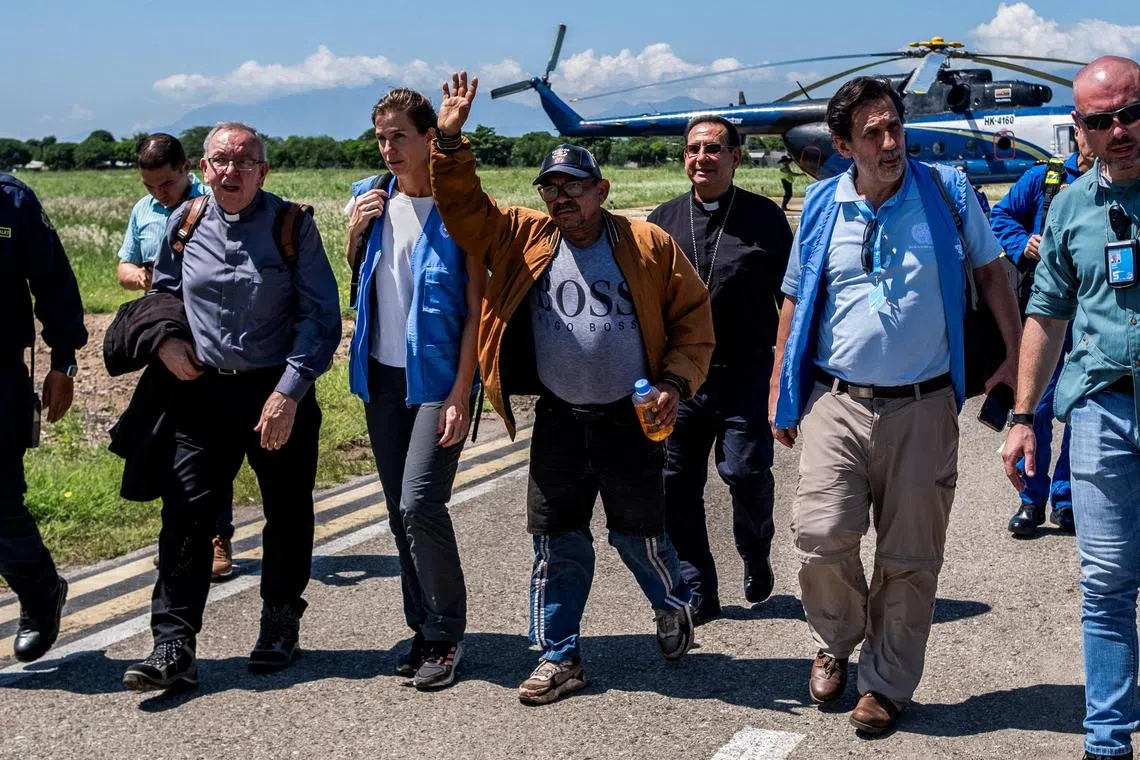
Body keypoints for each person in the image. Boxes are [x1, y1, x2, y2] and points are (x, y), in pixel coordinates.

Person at [430, 72, 714, 705]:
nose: (561, 199)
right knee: (556, 541)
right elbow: (466, 211)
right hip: (560, 416)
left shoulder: (646, 243)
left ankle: (671, 605)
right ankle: (559, 656)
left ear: (601, 190)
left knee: (636, 537)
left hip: (629, 416)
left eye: (573, 188)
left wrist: (674, 382)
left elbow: (694, 321)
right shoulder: (526, 236)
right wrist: (449, 145)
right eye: (550, 188)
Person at [770, 76, 1021, 735]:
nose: (890, 142)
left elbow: (993, 272)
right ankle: (837, 635)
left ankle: (885, 685)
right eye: (873, 133)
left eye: (894, 127)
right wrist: (780, 391)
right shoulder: (824, 203)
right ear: (843, 145)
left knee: (910, 554)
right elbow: (796, 302)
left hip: (925, 402)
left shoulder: (946, 189)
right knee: (820, 535)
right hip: (839, 400)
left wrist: (1018, 361)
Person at [122, 122, 341, 691]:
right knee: (187, 516)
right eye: (220, 161)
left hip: (276, 391)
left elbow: (321, 320)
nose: (231, 171)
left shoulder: (293, 226)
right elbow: (163, 297)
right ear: (205, 167)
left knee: (287, 512)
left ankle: (279, 623)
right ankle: (173, 645)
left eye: (244, 162)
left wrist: (288, 393)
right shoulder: (185, 222)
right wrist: (166, 342)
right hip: (200, 392)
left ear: (263, 172)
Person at [1002, 56, 1140, 760]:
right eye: (1101, 120)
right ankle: (1108, 742)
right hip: (1100, 409)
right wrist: (1024, 417)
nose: (1121, 130)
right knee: (1107, 582)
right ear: (1079, 129)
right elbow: (1047, 311)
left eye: (1132, 112)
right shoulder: (1069, 207)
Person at [344, 88, 485, 690]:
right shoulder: (370, 199)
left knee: (419, 503)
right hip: (381, 375)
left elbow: (479, 311)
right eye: (380, 137)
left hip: (439, 380)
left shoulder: (462, 207)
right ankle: (421, 628)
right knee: (397, 512)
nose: (388, 148)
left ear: (430, 138)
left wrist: (461, 392)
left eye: (399, 135)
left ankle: (447, 634)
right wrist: (355, 233)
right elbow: (357, 277)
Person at [647, 116, 792, 624]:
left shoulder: (766, 220)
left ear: (735, 156)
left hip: (744, 373)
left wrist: (787, 376)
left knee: (748, 475)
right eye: (692, 150)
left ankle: (756, 551)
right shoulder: (660, 221)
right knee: (675, 485)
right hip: (680, 381)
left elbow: (789, 303)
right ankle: (697, 586)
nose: (701, 158)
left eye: (713, 148)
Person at [117, 133, 235, 578]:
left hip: (209, 343)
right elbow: (125, 267)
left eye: (164, 185)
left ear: (187, 168)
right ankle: (180, 534)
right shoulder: (143, 212)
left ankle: (218, 535)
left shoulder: (213, 203)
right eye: (149, 187)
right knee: (169, 442)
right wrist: (142, 278)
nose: (157, 195)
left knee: (212, 445)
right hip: (163, 340)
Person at [991, 131, 1095, 537]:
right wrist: (1024, 242)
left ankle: (1067, 499)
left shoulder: (1115, 181)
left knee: (1083, 408)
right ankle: (1031, 499)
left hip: (1092, 314)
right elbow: (1001, 216)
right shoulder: (1045, 178)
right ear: (1077, 134)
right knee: (1039, 404)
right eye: (1091, 128)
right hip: (1049, 311)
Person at [0, 173, 87, 663]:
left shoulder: (12, 201)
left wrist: (63, 362)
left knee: (1, 506)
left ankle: (39, 593)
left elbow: (54, 281)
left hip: (0, 373)